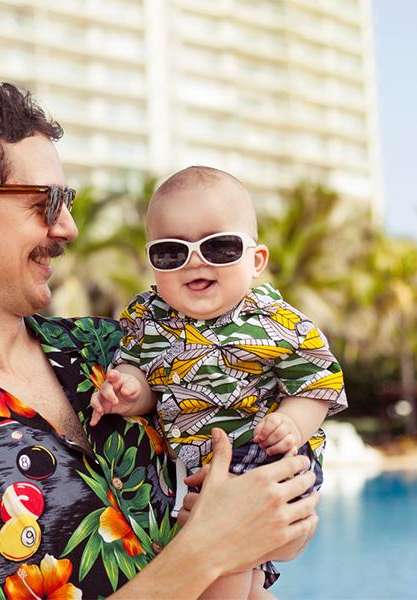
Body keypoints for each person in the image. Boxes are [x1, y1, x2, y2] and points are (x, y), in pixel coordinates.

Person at [0, 80, 319, 599]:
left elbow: (279, 501)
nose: (68, 227)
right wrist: (206, 552)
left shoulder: (121, 349)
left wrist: (279, 520)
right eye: (46, 202)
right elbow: (221, 540)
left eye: (67, 200)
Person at [89, 166, 347, 599]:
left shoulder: (276, 322)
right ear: (151, 262)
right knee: (240, 574)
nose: (195, 261)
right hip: (197, 465)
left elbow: (316, 384)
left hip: (262, 451)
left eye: (220, 247)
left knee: (222, 559)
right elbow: (141, 377)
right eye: (171, 252)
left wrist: (290, 424)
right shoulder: (148, 319)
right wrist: (128, 392)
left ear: (256, 261)